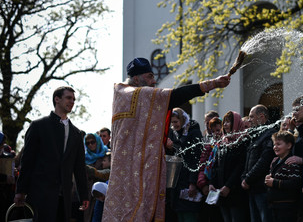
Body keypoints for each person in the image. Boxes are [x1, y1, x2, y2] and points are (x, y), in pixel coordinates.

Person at [103, 58, 230, 221]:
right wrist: (212, 84)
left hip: (130, 169)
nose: (154, 81)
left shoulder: (122, 96)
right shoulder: (134, 94)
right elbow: (174, 97)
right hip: (135, 171)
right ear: (136, 79)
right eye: (149, 76)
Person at [14, 86, 89, 221]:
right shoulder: (38, 126)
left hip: (65, 196)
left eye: (73, 99)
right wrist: (20, 190)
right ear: (57, 99)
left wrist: (84, 195)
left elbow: (79, 167)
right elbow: (27, 161)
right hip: (40, 194)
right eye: (68, 98)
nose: (72, 101)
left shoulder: (76, 133)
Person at [209, 111, 249, 222]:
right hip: (221, 191)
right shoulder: (223, 142)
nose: (225, 124)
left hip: (235, 192)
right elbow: (216, 165)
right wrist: (212, 183)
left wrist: (228, 186)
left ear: (235, 123)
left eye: (228, 122)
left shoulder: (242, 142)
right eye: (224, 122)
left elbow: (240, 167)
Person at [241, 104, 276, 222]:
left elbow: (264, 160)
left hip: (262, 189)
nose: (249, 120)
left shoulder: (270, 133)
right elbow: (248, 160)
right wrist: (244, 177)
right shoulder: (256, 135)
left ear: (261, 116)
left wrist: (248, 179)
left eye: (251, 117)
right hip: (252, 188)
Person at [167, 108, 203, 222]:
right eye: (172, 122)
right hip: (178, 181)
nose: (174, 125)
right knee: (180, 214)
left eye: (176, 122)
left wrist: (193, 183)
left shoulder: (193, 132)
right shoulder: (175, 133)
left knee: (188, 215)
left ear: (182, 120)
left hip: (188, 180)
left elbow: (195, 158)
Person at [265, 131, 302, 222]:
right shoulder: (275, 161)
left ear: (289, 146)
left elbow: (295, 183)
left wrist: (274, 182)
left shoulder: (291, 162)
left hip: (286, 207)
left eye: (278, 144)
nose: (275, 147)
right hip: (274, 205)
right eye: (274, 144)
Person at [83, 133, 108, 222]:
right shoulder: (84, 157)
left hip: (102, 195)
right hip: (88, 194)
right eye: (88, 143)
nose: (90, 145)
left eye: (93, 142)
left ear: (97, 141)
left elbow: (109, 172)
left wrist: (94, 172)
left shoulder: (106, 154)